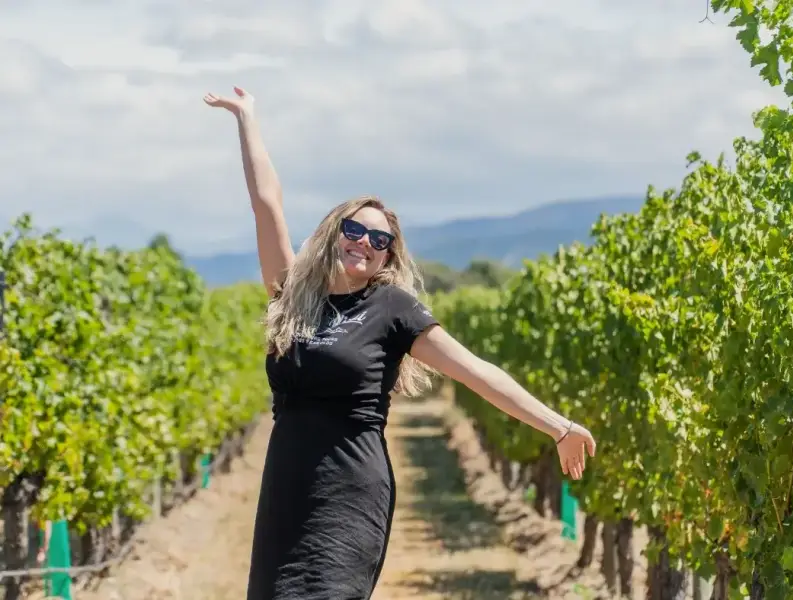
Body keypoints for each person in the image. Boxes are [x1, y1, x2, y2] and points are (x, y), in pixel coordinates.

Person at [204, 86, 597, 600]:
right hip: (286, 491)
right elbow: (265, 204)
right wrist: (246, 117)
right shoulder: (292, 295)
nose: (364, 243)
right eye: (355, 230)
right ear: (333, 232)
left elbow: (476, 372)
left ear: (388, 256)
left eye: (379, 240)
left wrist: (559, 426)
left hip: (349, 494)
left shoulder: (392, 310)